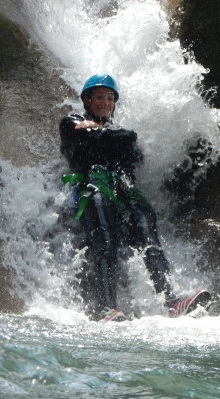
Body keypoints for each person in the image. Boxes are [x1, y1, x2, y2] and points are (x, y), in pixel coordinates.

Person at [60, 74, 210, 321]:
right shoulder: (72, 121)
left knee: (145, 225)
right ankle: (106, 308)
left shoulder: (116, 131)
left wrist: (128, 142)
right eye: (100, 97)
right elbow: (93, 135)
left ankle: (172, 301)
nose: (106, 103)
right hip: (91, 188)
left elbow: (134, 159)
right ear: (87, 100)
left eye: (110, 98)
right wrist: (126, 137)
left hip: (122, 188)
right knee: (105, 241)